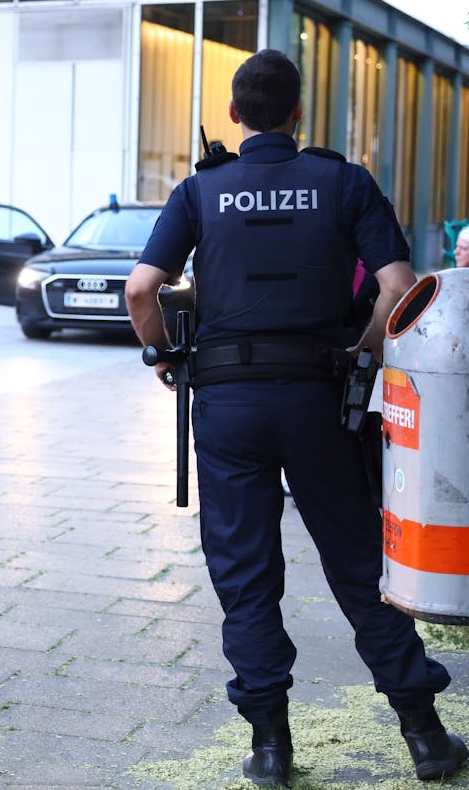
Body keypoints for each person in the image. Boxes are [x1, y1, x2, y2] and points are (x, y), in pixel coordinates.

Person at [125, 49, 465, 786]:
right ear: (299, 110)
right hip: (322, 398)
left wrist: (162, 355)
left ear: (236, 114)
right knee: (357, 564)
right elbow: (400, 287)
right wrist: (360, 350)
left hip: (227, 404)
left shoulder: (200, 188)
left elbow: (141, 287)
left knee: (246, 573)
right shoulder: (343, 181)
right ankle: (426, 735)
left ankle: (271, 746)